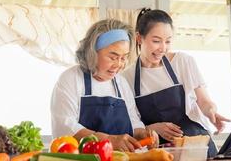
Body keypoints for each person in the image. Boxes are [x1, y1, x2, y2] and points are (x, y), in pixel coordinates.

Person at [122, 8, 230, 157]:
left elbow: (204, 101)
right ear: (139, 38)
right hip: (159, 152)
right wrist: (153, 128)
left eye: (168, 41)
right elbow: (131, 122)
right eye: (156, 41)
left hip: (196, 144)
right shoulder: (126, 77)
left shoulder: (183, 62)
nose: (163, 48)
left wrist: (211, 111)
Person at [51, 19, 158, 152]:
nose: (119, 64)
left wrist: (142, 133)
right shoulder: (71, 79)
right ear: (93, 53)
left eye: (123, 57)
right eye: (113, 57)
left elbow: (133, 121)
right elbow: (65, 126)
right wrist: (107, 140)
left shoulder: (121, 83)